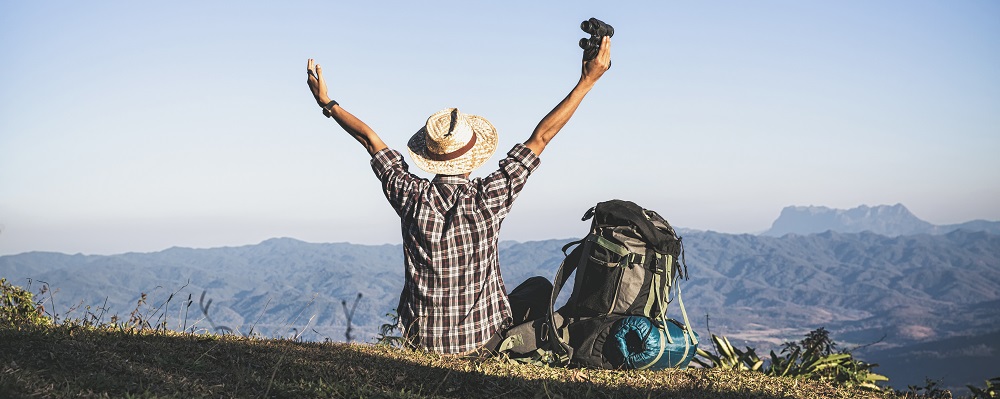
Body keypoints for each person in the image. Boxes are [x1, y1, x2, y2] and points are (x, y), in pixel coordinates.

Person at [305, 36, 611, 354]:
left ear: (431, 156)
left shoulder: (409, 195)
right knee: (539, 288)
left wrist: (327, 103)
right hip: (483, 343)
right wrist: (587, 81)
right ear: (473, 155)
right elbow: (542, 137)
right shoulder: (490, 197)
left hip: (421, 342)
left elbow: (369, 139)